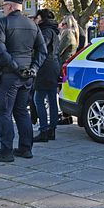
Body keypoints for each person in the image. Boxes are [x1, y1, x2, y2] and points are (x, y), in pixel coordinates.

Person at [0, 0, 47, 162]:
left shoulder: (4, 23)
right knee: (21, 111)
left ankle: (6, 150)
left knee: (3, 111)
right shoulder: (33, 25)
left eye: (4, 6)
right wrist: (33, 68)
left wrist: (15, 67)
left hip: (9, 75)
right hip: (27, 75)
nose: (3, 9)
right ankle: (25, 148)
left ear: (11, 7)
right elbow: (43, 51)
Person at [33, 9, 60, 143]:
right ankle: (52, 130)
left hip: (45, 67)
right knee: (52, 100)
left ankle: (44, 130)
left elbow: (41, 47)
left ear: (41, 18)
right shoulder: (54, 30)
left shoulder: (45, 31)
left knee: (38, 99)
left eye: (36, 17)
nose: (35, 20)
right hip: (54, 66)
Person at [56, 15, 81, 126]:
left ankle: (66, 116)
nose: (61, 25)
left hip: (63, 66)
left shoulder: (67, 34)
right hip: (67, 65)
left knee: (61, 89)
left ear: (66, 24)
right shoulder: (74, 34)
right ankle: (66, 115)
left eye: (62, 23)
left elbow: (59, 50)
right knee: (63, 88)